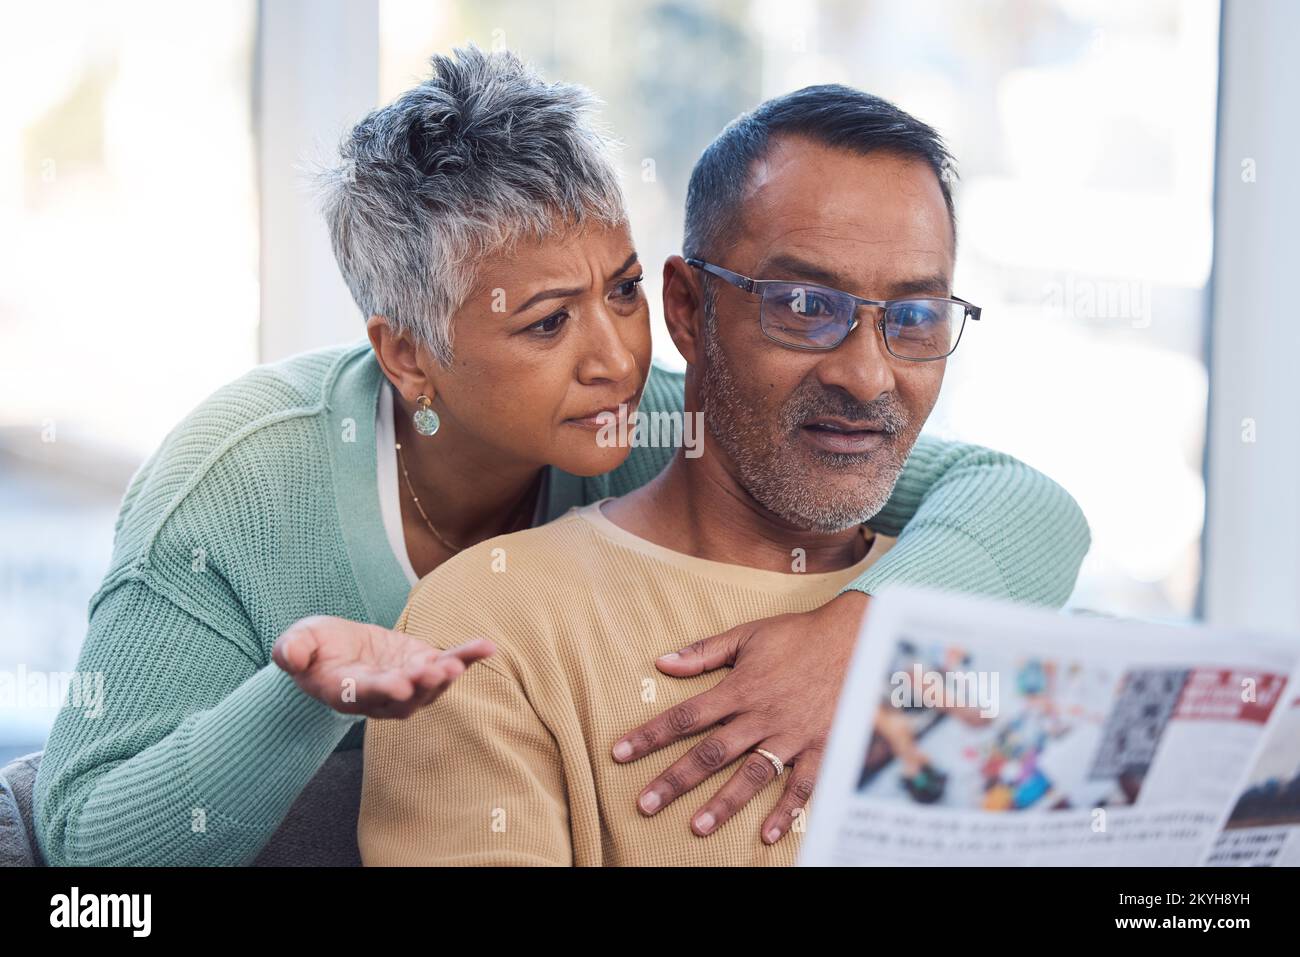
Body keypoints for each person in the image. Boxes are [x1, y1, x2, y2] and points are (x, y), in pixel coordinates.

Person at [35, 48, 1087, 867]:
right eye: (545, 322)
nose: (618, 358)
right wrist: (305, 698)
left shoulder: (658, 418)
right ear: (410, 355)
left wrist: (863, 637)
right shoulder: (243, 480)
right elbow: (85, 848)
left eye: (622, 293)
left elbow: (1014, 499)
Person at [359, 83, 1089, 866]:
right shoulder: (487, 625)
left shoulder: (983, 609)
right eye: (805, 305)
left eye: (914, 317)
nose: (868, 377)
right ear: (686, 308)